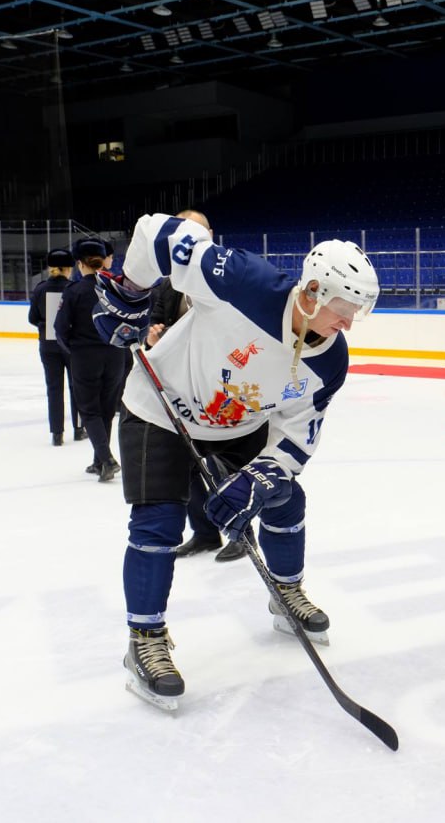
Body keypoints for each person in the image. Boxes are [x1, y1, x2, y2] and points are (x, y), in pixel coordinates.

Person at [93, 212, 379, 709]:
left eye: (358, 311)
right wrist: (131, 291)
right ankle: (145, 641)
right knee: (157, 521)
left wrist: (260, 479)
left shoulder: (330, 361)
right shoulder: (242, 281)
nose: (349, 322)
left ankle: (286, 591)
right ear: (311, 292)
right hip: (161, 408)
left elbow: (296, 433)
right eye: (343, 308)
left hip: (240, 425)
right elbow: (156, 231)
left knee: (285, 501)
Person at [141, 210, 236, 563]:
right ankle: (206, 532)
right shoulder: (168, 283)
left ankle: (242, 532)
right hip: (182, 389)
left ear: (211, 234)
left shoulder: (232, 276)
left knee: (227, 465)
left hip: (224, 388)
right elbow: (155, 322)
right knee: (190, 465)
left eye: (198, 231)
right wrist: (152, 334)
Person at [54, 238, 126, 481]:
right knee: (106, 409)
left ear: (80, 264)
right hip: (115, 355)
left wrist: (72, 350)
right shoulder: (116, 288)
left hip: (85, 356)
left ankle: (106, 460)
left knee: (89, 410)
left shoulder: (74, 291)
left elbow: (60, 328)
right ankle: (99, 461)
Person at [27, 248, 82, 446]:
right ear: (70, 268)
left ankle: (57, 433)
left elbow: (32, 318)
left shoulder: (40, 289)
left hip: (48, 346)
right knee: (76, 387)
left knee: (54, 389)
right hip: (71, 345)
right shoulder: (74, 288)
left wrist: (45, 324)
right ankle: (78, 427)